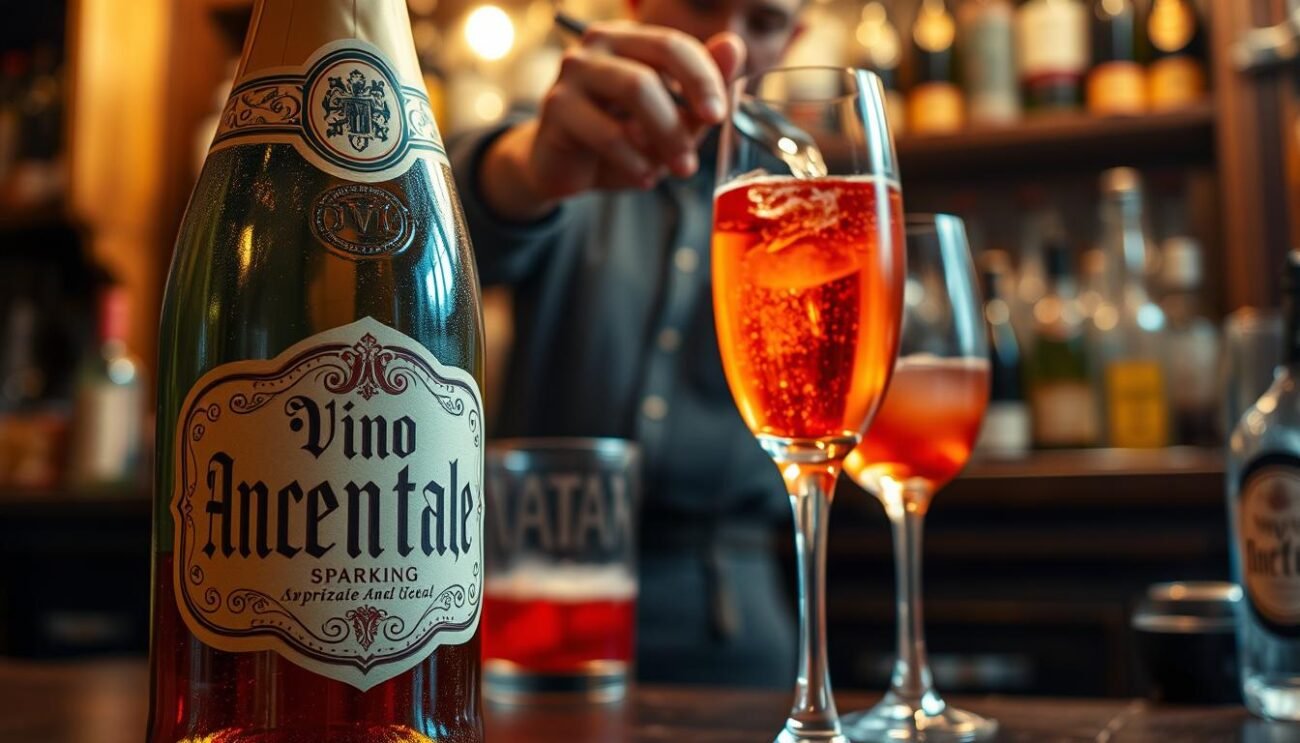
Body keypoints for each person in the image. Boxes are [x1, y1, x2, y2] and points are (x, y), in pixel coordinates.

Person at [449, 0, 805, 686]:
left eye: (761, 21)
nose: (726, 43)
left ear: (795, 41)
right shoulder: (569, 138)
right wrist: (525, 171)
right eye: (701, 3)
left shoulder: (804, 194)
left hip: (735, 629)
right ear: (637, 7)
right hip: (541, 610)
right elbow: (432, 241)